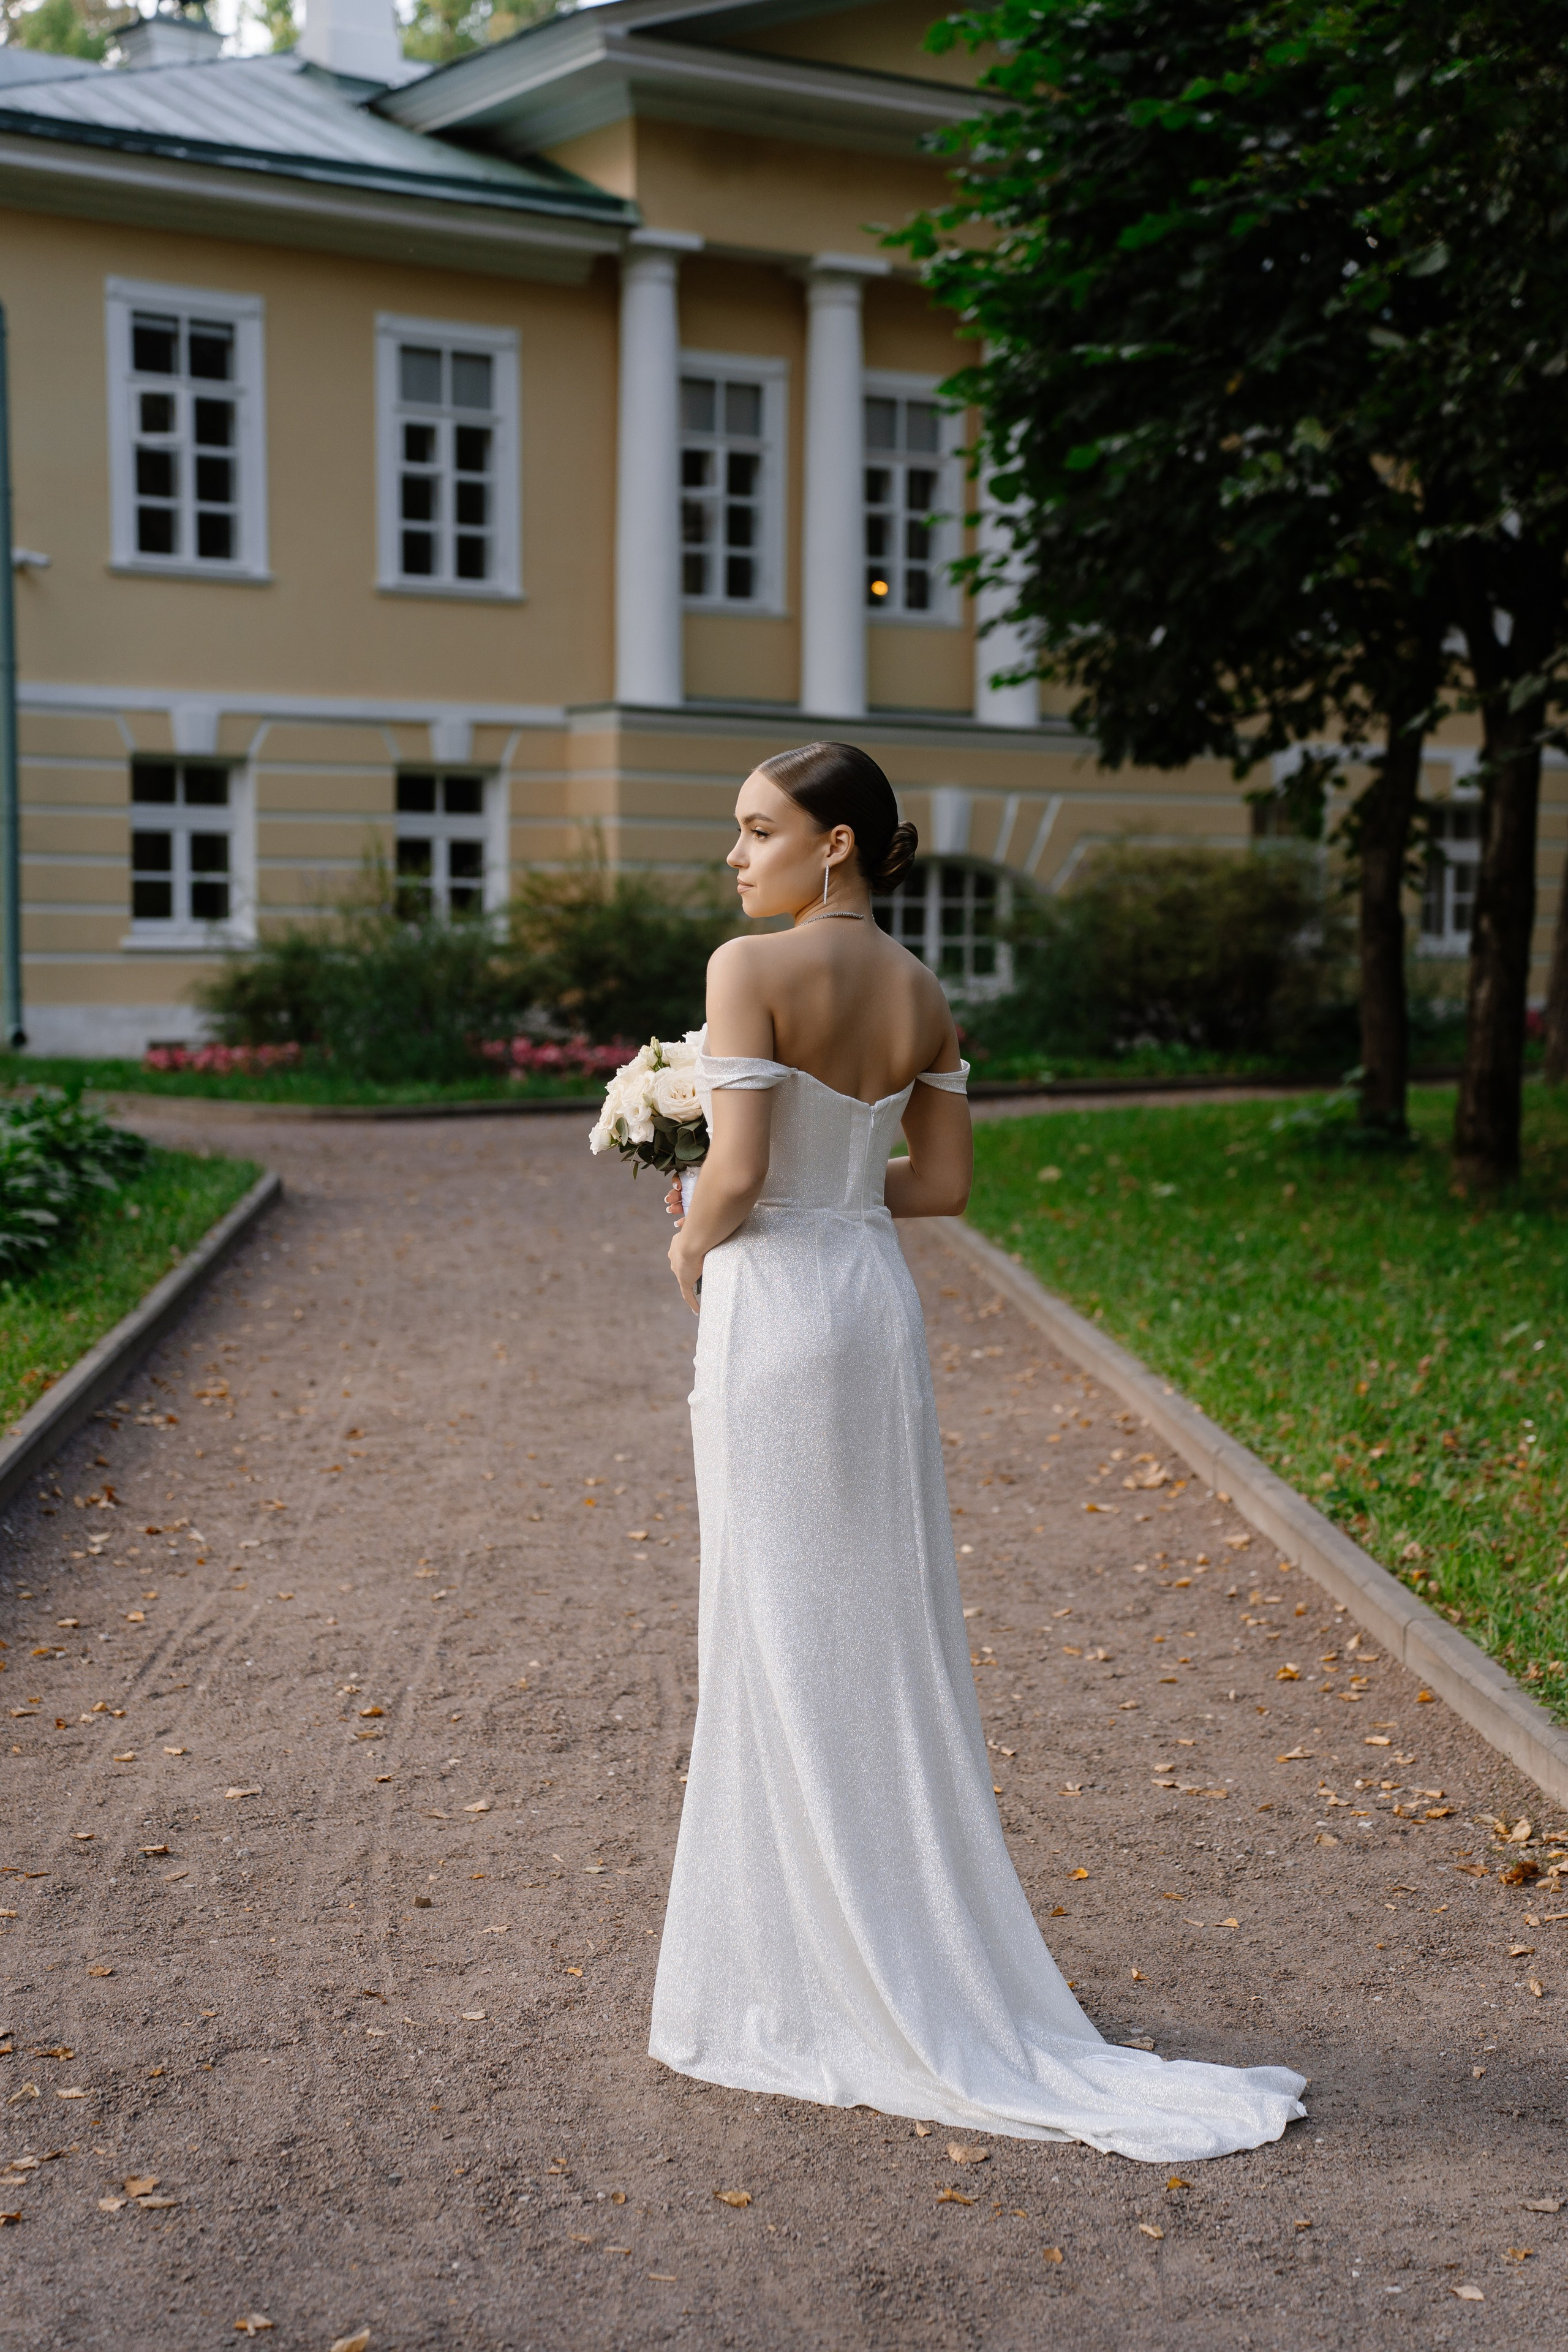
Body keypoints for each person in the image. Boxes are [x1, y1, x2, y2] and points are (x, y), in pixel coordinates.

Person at [649, 741, 1306, 2162]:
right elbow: (940, 1184)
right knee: (873, 1620)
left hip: (777, 1308)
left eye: (756, 829)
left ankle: (808, 1960)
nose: (735, 855)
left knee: (772, 1615)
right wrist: (832, 1187)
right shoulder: (924, 992)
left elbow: (741, 1174)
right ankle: (884, 1936)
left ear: (833, 843)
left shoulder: (744, 968)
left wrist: (691, 1240)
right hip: (868, 1303)